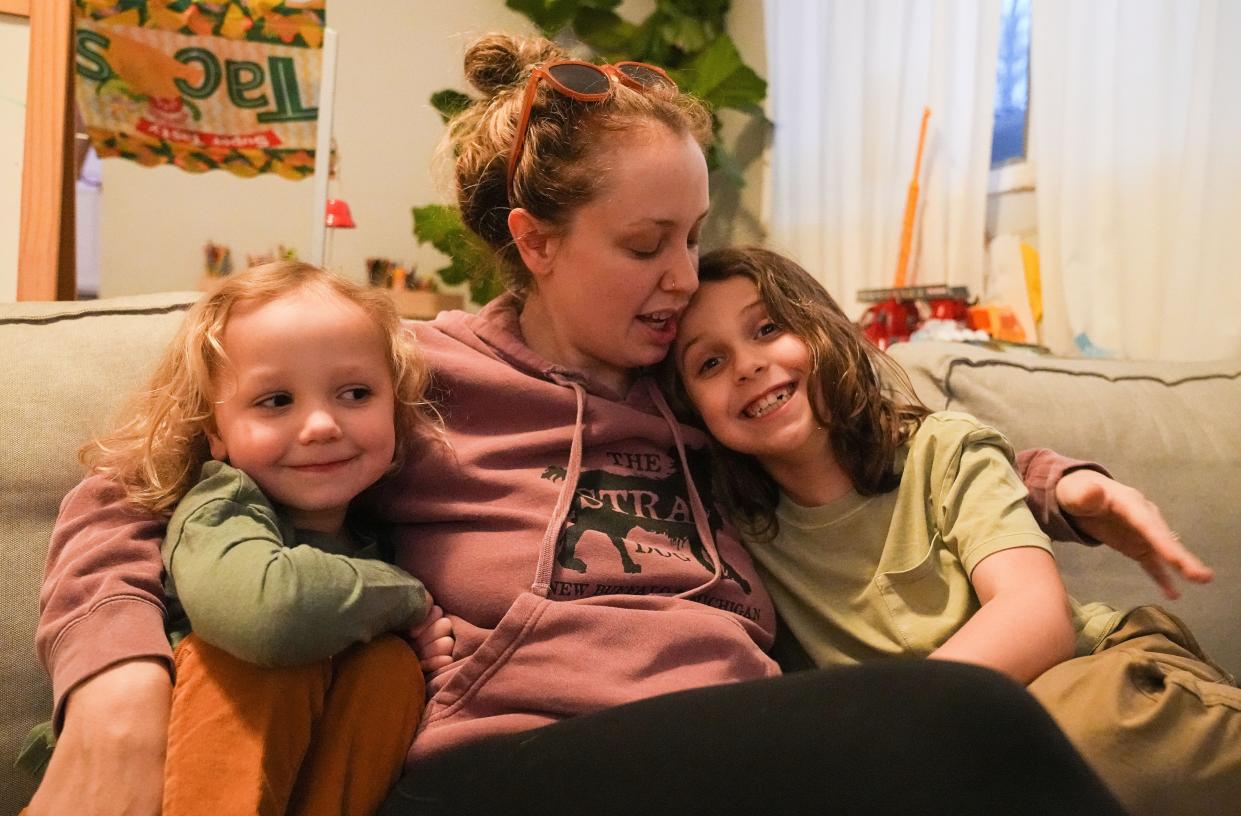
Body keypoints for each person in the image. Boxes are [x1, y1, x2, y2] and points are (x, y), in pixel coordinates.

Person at [28, 33, 1202, 816]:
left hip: (739, 742)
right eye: (645, 246)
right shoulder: (414, 374)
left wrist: (1057, 482)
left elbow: (885, 427)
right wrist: (113, 679)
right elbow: (142, 487)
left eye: (693, 234)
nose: (683, 276)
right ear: (534, 240)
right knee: (955, 719)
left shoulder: (701, 388)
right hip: (506, 762)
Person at [667, 245, 1239, 816]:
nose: (746, 365)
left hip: (1097, 676)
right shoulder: (736, 531)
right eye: (709, 364)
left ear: (825, 331)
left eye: (768, 328)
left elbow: (1036, 617)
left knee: (1077, 742)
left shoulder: (942, 449)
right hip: (945, 744)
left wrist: (887, 724)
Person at [26, 262, 453, 816]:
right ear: (216, 434)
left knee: (388, 670)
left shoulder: (378, 532)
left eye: (355, 393)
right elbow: (265, 613)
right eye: (276, 401)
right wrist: (404, 597)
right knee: (258, 662)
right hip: (166, 777)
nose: (321, 424)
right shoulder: (222, 505)